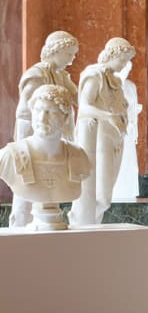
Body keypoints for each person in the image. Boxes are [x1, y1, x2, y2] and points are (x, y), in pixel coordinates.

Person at [10, 30, 80, 228]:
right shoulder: (36, 75)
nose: (72, 59)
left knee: (49, 180)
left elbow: (78, 98)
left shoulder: (62, 76)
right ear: (56, 51)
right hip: (34, 134)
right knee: (27, 179)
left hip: (54, 137)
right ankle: (20, 224)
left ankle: (45, 220)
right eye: (69, 54)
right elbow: (26, 111)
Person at [0, 85, 91, 231]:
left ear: (66, 117)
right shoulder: (9, 156)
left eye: (51, 112)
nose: (42, 118)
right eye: (37, 110)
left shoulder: (79, 156)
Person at [69, 37, 136, 227]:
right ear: (112, 55)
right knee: (102, 196)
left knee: (106, 194)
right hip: (99, 138)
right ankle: (81, 223)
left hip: (115, 138)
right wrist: (110, 117)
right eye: (122, 60)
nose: (124, 65)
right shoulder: (94, 76)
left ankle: (91, 226)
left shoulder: (114, 80)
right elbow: (84, 108)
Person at [112, 58, 142, 201]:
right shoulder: (108, 85)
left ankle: (128, 192)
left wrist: (134, 112)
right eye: (124, 68)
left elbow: (132, 104)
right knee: (118, 162)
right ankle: (117, 193)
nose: (126, 71)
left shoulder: (130, 86)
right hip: (115, 130)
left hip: (129, 130)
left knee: (129, 162)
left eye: (129, 69)